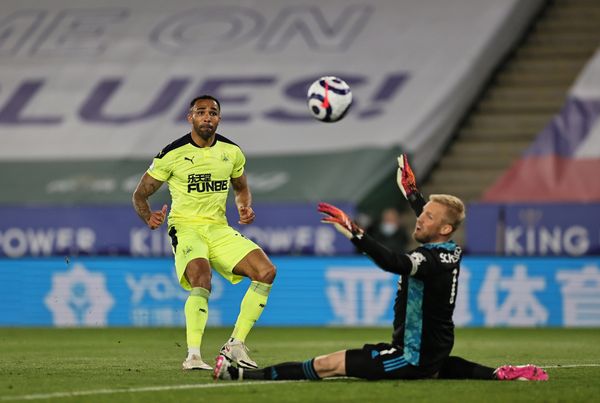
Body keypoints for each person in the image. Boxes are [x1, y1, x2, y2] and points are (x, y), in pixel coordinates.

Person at [213, 154, 548, 382]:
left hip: (411, 357)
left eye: (427, 217)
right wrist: (413, 194)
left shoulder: (428, 260)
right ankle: (499, 374)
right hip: (427, 353)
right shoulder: (448, 250)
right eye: (422, 211)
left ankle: (239, 375)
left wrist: (357, 233)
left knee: (327, 365)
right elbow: (433, 222)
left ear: (444, 228)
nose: (419, 218)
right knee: (439, 367)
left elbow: (395, 262)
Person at [132, 95, 276, 371]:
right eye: (201, 112)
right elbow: (140, 194)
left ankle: (235, 345)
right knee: (201, 277)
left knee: (266, 271)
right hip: (186, 228)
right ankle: (194, 355)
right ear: (191, 118)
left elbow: (241, 187)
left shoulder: (231, 152)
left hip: (218, 228)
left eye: (213, 112)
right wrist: (148, 216)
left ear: (219, 119)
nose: (207, 117)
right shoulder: (171, 154)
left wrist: (244, 207)